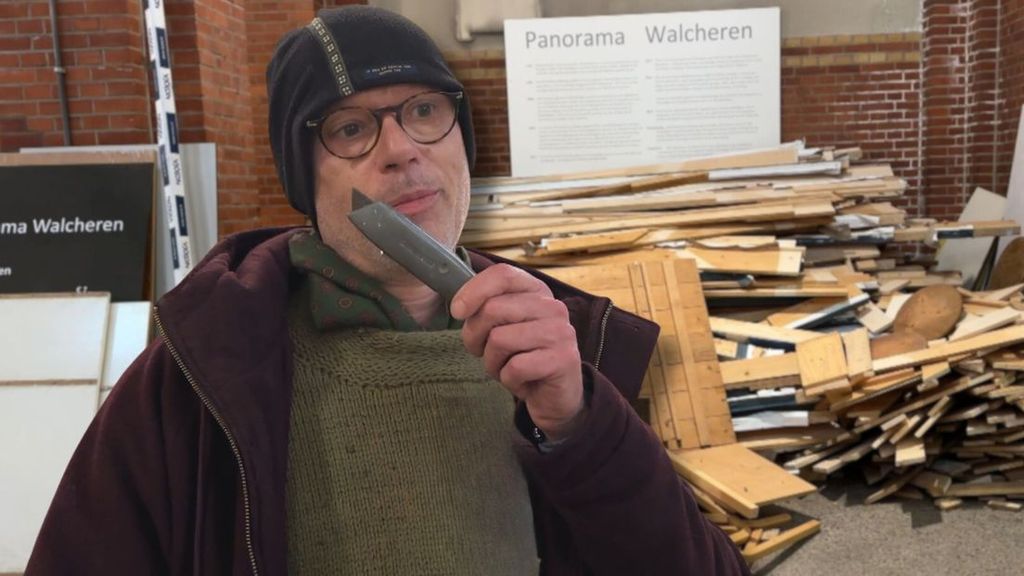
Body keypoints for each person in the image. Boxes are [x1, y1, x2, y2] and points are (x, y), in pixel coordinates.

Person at [26, 6, 748, 575]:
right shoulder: (204, 374)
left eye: (424, 112)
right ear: (305, 177)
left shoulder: (561, 346)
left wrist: (581, 423)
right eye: (350, 129)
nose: (402, 149)